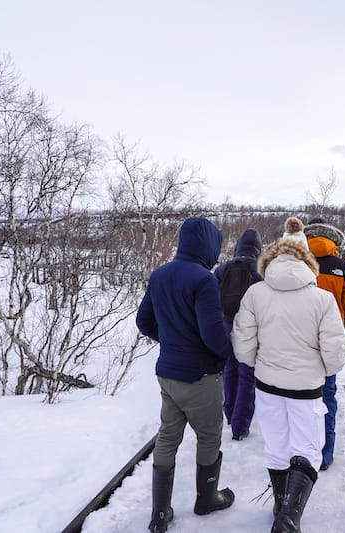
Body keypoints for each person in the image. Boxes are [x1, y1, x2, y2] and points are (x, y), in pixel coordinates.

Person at [232, 235, 345, 533]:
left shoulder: (255, 293)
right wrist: (321, 369)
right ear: (308, 265)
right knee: (308, 449)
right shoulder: (322, 298)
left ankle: (279, 505)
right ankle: (289, 517)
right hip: (307, 389)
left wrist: (256, 362)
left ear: (269, 263)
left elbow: (243, 342)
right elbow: (335, 352)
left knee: (276, 445)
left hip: (267, 384)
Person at [135, 217, 236, 533]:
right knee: (208, 436)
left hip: (168, 374)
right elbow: (212, 334)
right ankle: (207, 499)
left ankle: (160, 515)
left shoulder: (160, 274)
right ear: (207, 245)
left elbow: (143, 321)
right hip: (200, 377)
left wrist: (172, 341)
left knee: (167, 437)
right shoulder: (203, 280)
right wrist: (227, 353)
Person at [304, 217, 345, 471]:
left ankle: (302, 450)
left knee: (299, 397)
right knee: (327, 395)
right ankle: (325, 454)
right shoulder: (343, 268)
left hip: (300, 339)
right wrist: (344, 323)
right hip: (329, 339)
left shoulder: (297, 263)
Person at [214, 228, 263, 440]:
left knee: (229, 370)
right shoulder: (259, 270)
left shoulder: (222, 269)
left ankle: (230, 413)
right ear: (258, 249)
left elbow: (212, 298)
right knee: (247, 374)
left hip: (225, 324)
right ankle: (240, 426)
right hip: (249, 328)